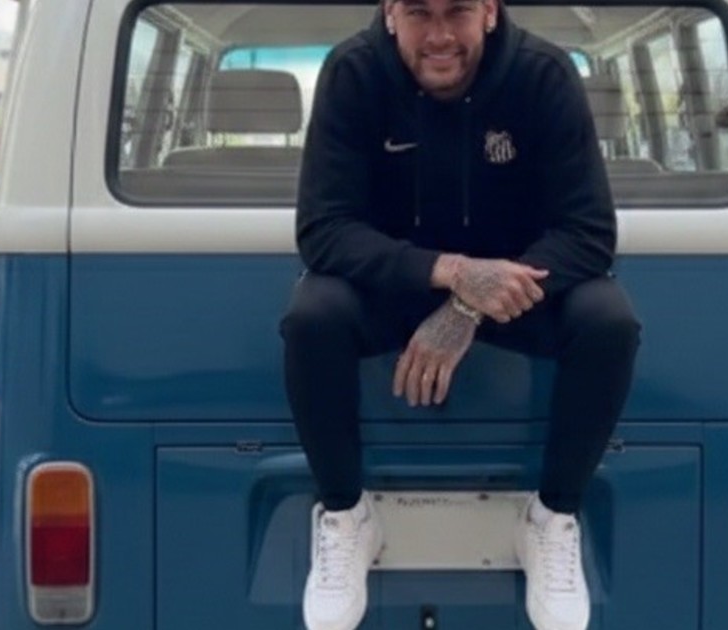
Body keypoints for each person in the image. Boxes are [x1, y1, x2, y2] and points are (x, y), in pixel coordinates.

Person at [279, 0, 641, 627]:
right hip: (394, 284)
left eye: (458, 11)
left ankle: (553, 517)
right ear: (391, 13)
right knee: (313, 315)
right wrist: (451, 272)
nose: (440, 34)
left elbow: (588, 231)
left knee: (608, 320)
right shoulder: (353, 72)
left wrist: (469, 304)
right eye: (420, 12)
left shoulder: (543, 75)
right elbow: (323, 229)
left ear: (490, 12)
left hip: (512, 290)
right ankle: (344, 514)